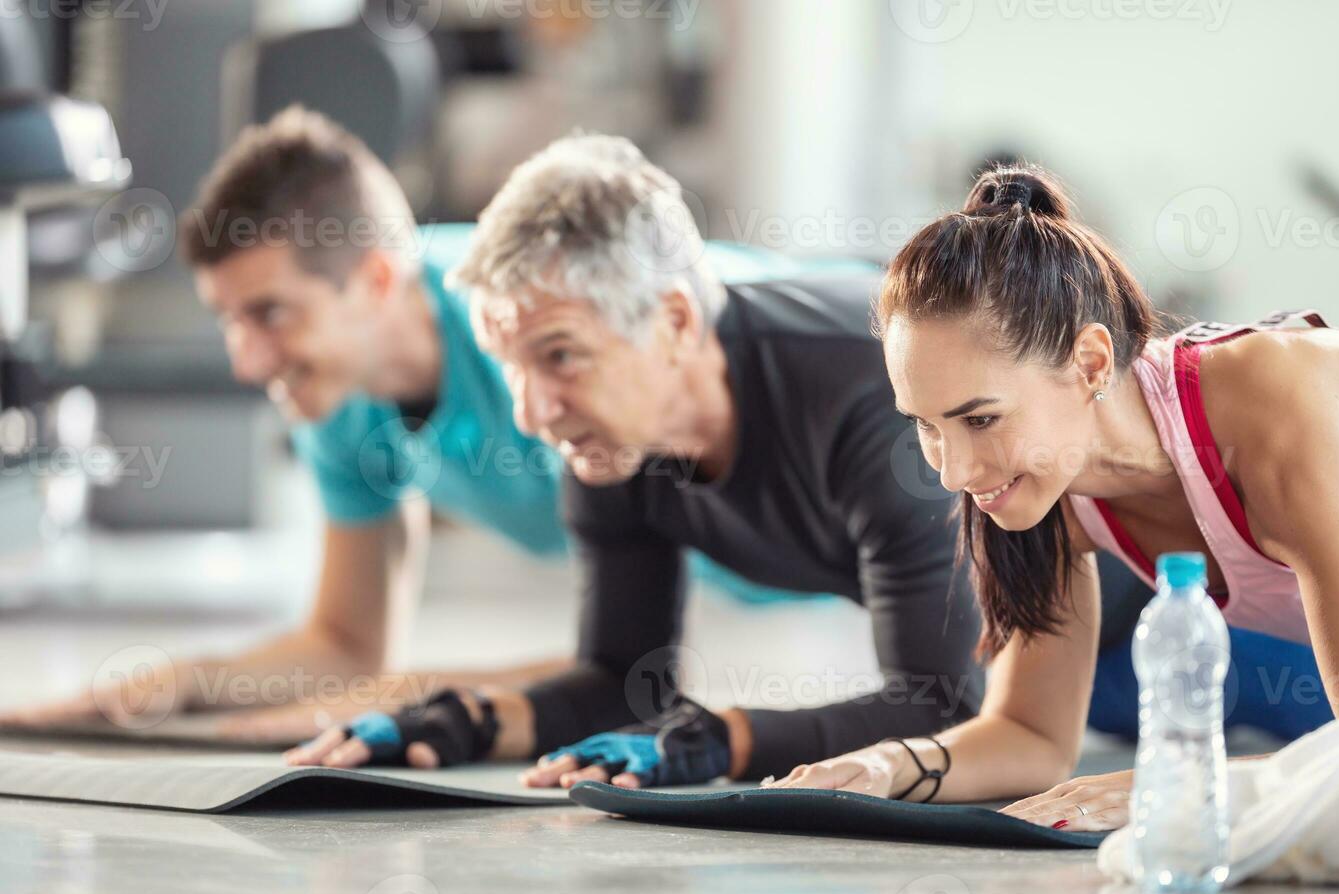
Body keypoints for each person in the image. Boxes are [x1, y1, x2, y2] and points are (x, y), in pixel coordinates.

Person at [287, 136, 1163, 785]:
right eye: (508, 366)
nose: (531, 409)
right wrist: (462, 723)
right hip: (1054, 687)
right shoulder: (612, 441)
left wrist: (719, 742)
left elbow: (942, 704)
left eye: (558, 357)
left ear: (672, 320)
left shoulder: (869, 393)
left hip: (1165, 623)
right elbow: (626, 682)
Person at [0, 108, 819, 742]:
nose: (247, 362)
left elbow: (620, 675)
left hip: (844, 432)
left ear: (375, 279)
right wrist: (169, 686)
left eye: (271, 314)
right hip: (783, 568)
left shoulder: (537, 343)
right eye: (230, 321)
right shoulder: (340, 400)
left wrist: (391, 702)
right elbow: (348, 645)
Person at [769, 164, 1339, 829]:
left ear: (1091, 364)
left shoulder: (1281, 413)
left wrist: (1167, 786)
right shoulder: (1047, 488)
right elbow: (1031, 734)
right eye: (927, 426)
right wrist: (892, 764)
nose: (953, 472)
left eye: (980, 419)